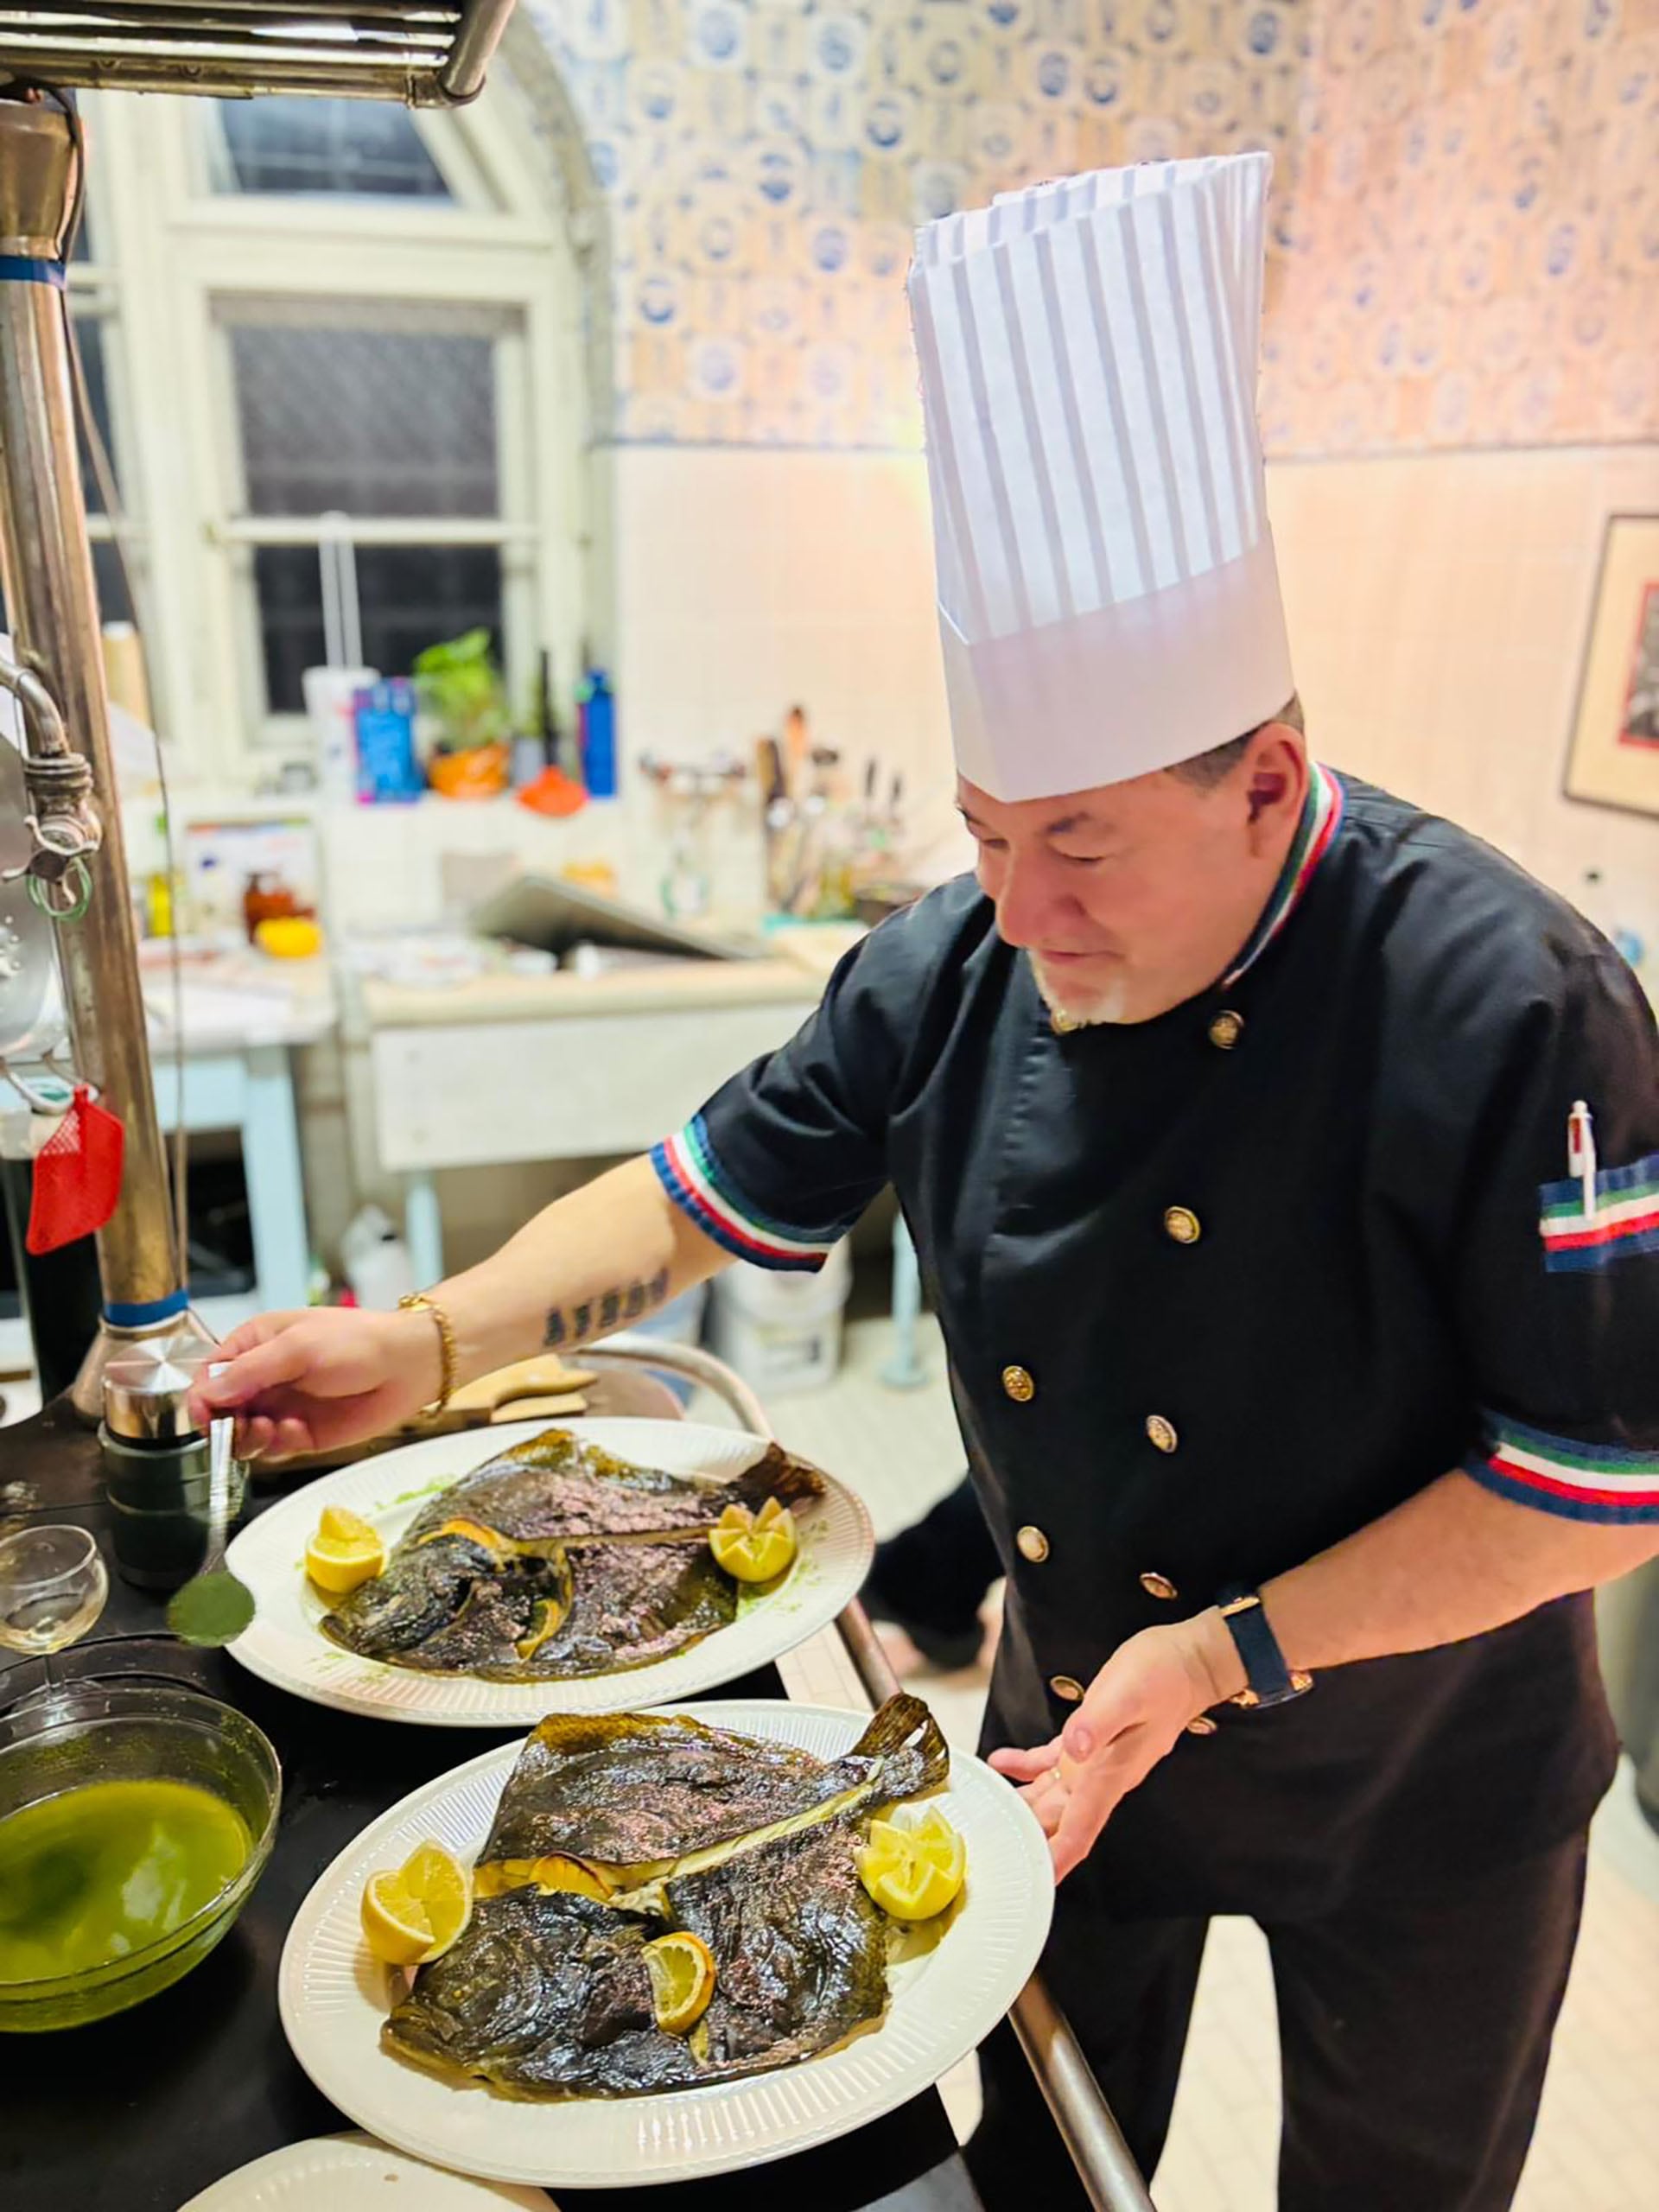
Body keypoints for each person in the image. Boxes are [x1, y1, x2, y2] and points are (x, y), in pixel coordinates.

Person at [194, 154, 1659, 2211]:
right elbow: (703, 1189)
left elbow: (1586, 1487)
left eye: (1080, 841)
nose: (1018, 902)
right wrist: (424, 1336)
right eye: (981, 828)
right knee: (1059, 2171)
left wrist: (1224, 1652)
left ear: (1266, 775)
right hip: (1082, 1745)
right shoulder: (958, 954)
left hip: (1423, 1790)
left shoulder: (1517, 1002)